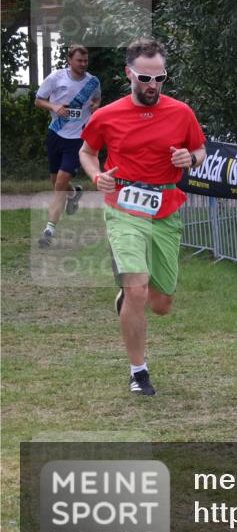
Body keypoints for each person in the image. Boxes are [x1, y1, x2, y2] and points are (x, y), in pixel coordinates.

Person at [79, 39, 207, 396]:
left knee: (161, 304)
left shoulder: (182, 113)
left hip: (166, 208)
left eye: (160, 78)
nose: (153, 85)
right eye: (145, 78)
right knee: (136, 289)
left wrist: (190, 159)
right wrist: (95, 176)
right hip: (123, 205)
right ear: (129, 74)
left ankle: (128, 298)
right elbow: (88, 152)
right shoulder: (106, 116)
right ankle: (139, 372)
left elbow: (200, 149)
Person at [34, 45, 101, 247]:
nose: (83, 64)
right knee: (56, 182)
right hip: (56, 134)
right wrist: (54, 106)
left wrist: (96, 105)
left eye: (86, 61)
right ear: (69, 60)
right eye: (79, 60)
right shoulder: (56, 78)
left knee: (60, 183)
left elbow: (97, 98)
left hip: (78, 138)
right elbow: (38, 100)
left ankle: (48, 230)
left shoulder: (93, 82)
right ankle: (74, 194)